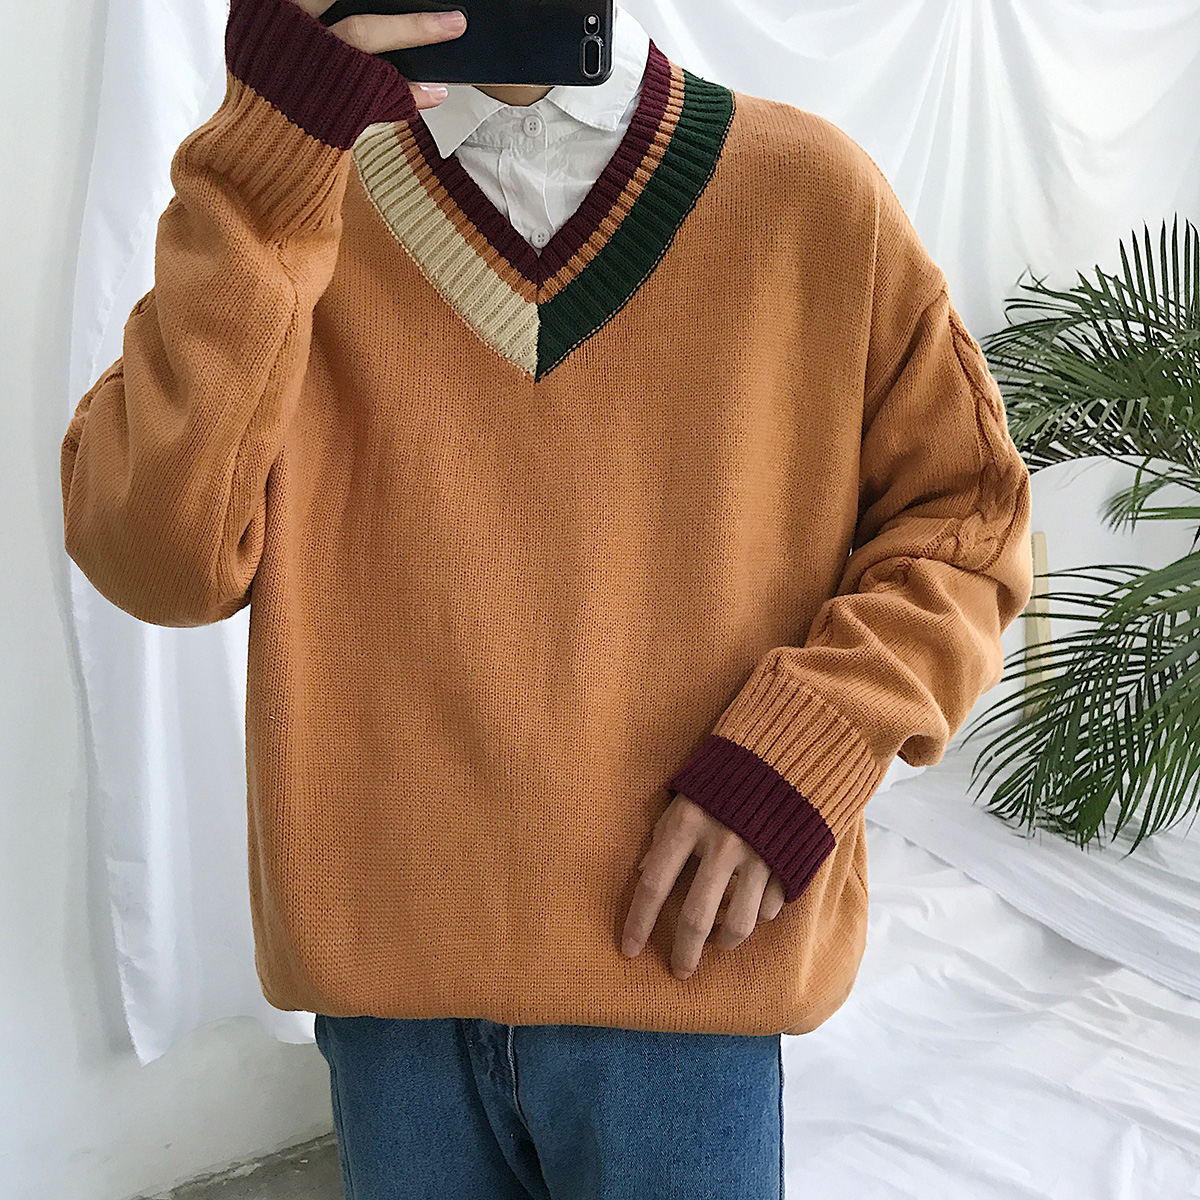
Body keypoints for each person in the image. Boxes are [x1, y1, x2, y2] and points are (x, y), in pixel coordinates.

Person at [58, 0, 1034, 1196]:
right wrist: (261, 167)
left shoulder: (812, 196)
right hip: (390, 1000)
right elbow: (155, 558)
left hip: (685, 985)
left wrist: (812, 744)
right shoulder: (291, 211)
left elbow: (968, 525)